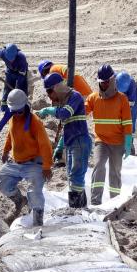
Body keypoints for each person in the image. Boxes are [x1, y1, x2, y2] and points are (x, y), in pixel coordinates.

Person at [0, 89, 52, 227]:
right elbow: (10, 136)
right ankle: (19, 201)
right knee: (2, 182)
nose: (16, 114)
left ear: (25, 107)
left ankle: (38, 223)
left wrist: (46, 166)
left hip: (34, 163)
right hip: (16, 162)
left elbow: (45, 145)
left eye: (19, 111)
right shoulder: (12, 119)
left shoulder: (35, 122)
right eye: (14, 111)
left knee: (35, 193)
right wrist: (5, 150)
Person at [37, 72, 92, 208]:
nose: (50, 96)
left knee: (76, 176)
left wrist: (48, 110)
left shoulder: (75, 97)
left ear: (57, 87)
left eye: (50, 91)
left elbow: (64, 114)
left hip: (80, 141)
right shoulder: (66, 101)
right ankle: (79, 208)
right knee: (72, 176)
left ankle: (77, 209)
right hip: (72, 142)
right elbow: (67, 126)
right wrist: (60, 147)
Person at [86, 64, 133, 203]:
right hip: (101, 141)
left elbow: (127, 123)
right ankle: (95, 200)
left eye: (107, 82)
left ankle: (115, 200)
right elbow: (83, 112)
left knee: (115, 172)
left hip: (118, 142)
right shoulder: (93, 98)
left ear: (112, 80)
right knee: (99, 166)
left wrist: (128, 143)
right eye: (102, 82)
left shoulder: (122, 99)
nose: (104, 85)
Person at [0, 43, 29, 115]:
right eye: (9, 59)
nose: (11, 60)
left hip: (21, 72)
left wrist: (17, 89)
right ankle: (4, 108)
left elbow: (21, 76)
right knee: (7, 89)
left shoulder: (21, 58)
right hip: (10, 71)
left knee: (21, 90)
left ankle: (22, 108)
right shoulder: (1, 52)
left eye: (12, 59)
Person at [114, 71, 137, 155]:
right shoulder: (112, 79)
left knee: (130, 120)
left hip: (130, 101)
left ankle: (129, 145)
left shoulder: (132, 86)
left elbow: (130, 106)